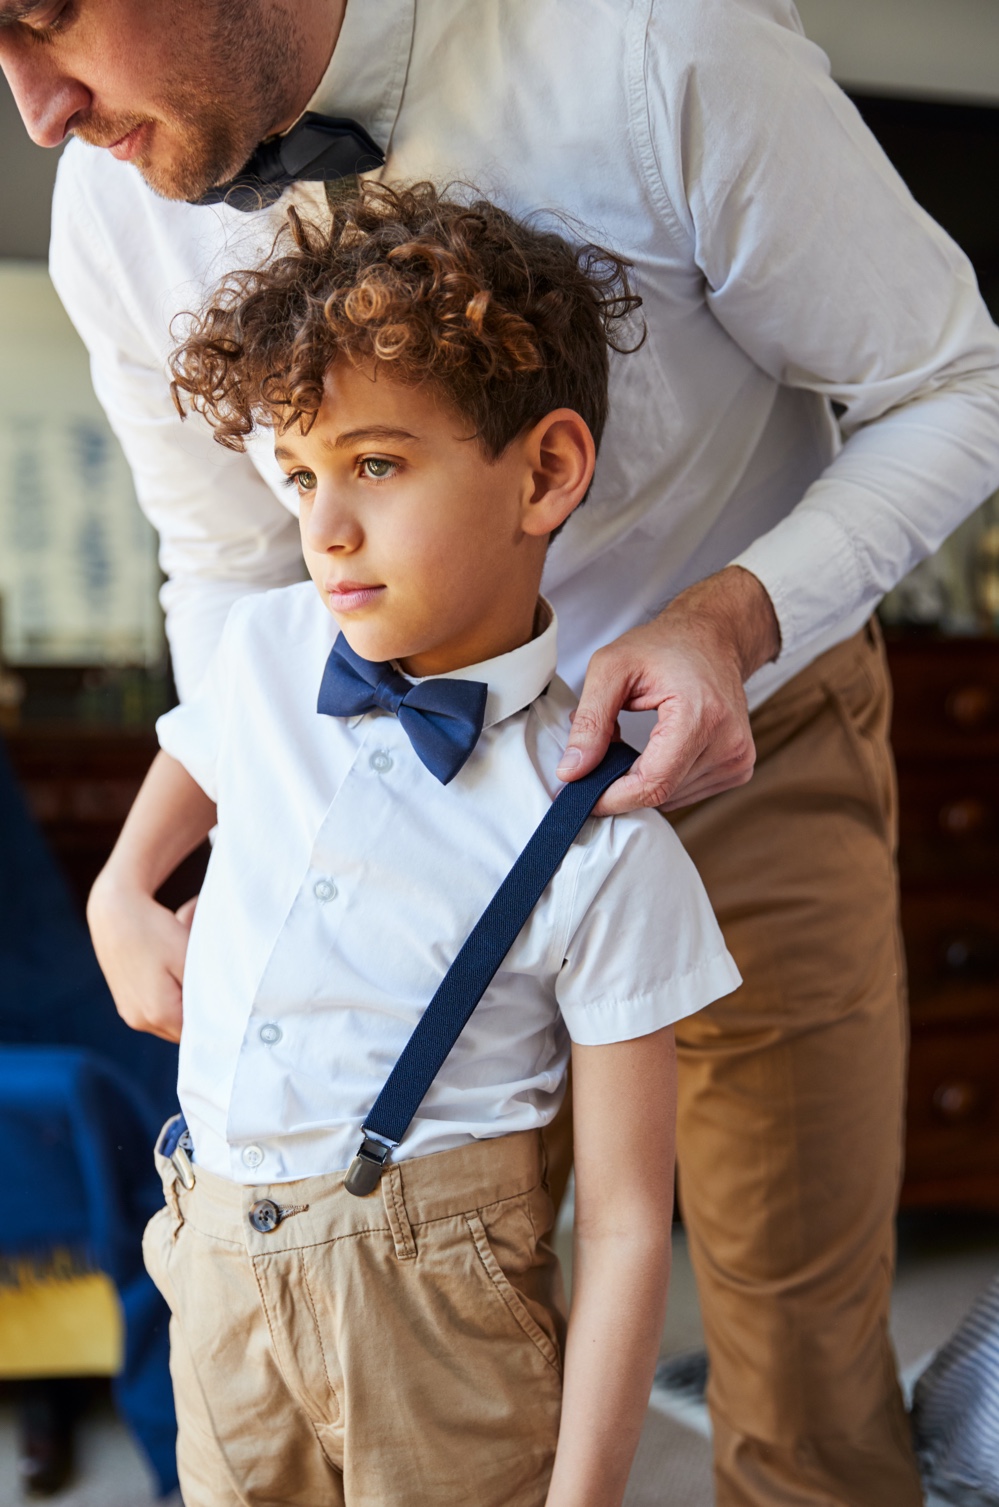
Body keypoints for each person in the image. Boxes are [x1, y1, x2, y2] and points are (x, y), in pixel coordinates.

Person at [4, 1, 999, 1499]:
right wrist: (221, 845)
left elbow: (958, 381)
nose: (35, 108)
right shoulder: (113, 206)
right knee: (417, 1324)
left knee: (798, 1370)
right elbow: (227, 570)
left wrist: (733, 619)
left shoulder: (663, 48)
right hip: (387, 802)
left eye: (42, 18)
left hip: (745, 745)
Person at [85, 181, 741, 1507]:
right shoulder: (269, 651)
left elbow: (622, 1229)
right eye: (302, 474)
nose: (323, 527)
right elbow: (174, 797)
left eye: (375, 465)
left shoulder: (601, 844)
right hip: (211, 1265)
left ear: (543, 472)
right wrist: (116, 900)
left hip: (437, 1323)